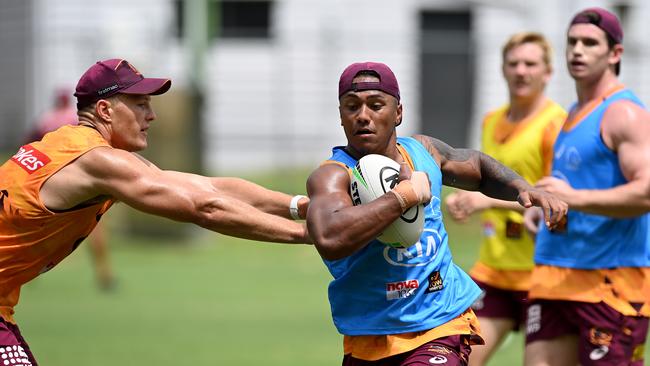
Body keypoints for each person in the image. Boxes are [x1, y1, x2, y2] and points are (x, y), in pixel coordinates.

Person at [0, 58, 311, 365]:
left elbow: (208, 188)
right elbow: (204, 208)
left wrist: (299, 206)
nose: (152, 115)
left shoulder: (70, 145)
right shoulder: (98, 161)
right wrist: (309, 235)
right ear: (106, 110)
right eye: (141, 104)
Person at [305, 61, 567, 365]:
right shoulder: (333, 176)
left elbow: (477, 166)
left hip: (439, 324)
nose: (363, 116)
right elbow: (329, 236)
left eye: (376, 105)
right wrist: (404, 197)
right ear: (341, 116)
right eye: (352, 107)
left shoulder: (423, 152)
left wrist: (523, 187)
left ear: (398, 112)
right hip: (369, 335)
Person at [522, 8, 650, 366]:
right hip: (554, 273)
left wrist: (572, 199)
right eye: (572, 42)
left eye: (590, 43)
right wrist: (545, 210)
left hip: (609, 283)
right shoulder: (572, 113)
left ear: (615, 54)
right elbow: (572, 192)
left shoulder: (623, 113)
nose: (577, 50)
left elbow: (646, 193)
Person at [444, 32, 566, 365]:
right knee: (458, 358)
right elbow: (484, 179)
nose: (521, 71)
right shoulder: (490, 120)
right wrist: (463, 196)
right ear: (502, 69)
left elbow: (557, 201)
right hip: (494, 271)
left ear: (547, 72)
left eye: (530, 63)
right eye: (513, 63)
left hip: (540, 274)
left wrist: (486, 202)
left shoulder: (554, 125)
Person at [27, 87, 117, 291]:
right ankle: (105, 273)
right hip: (82, 183)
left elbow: (31, 144)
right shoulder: (74, 119)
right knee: (96, 229)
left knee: (36, 233)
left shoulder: (46, 119)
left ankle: (25, 273)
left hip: (51, 186)